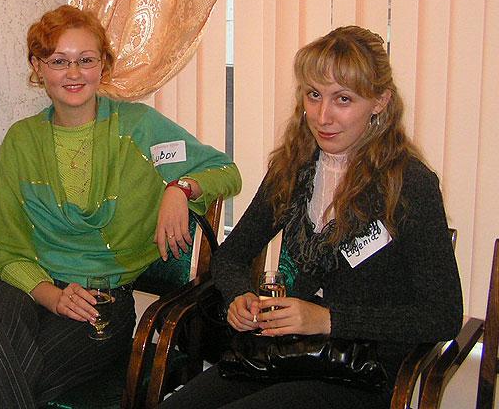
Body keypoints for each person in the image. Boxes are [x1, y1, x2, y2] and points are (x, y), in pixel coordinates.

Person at [0, 5, 241, 408]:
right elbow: (3, 247)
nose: (73, 73)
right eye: (58, 61)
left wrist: (180, 187)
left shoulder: (139, 128)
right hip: (24, 288)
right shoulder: (21, 140)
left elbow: (225, 171)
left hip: (99, 302)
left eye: (86, 60)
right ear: (38, 67)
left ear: (103, 65)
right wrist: (51, 295)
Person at [159, 25, 463, 409]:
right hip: (288, 352)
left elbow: (443, 315)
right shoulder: (295, 167)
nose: (322, 116)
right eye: (314, 95)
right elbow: (232, 257)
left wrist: (328, 319)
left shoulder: (409, 184)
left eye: (343, 99)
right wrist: (240, 297)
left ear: (380, 102)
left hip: (362, 371)